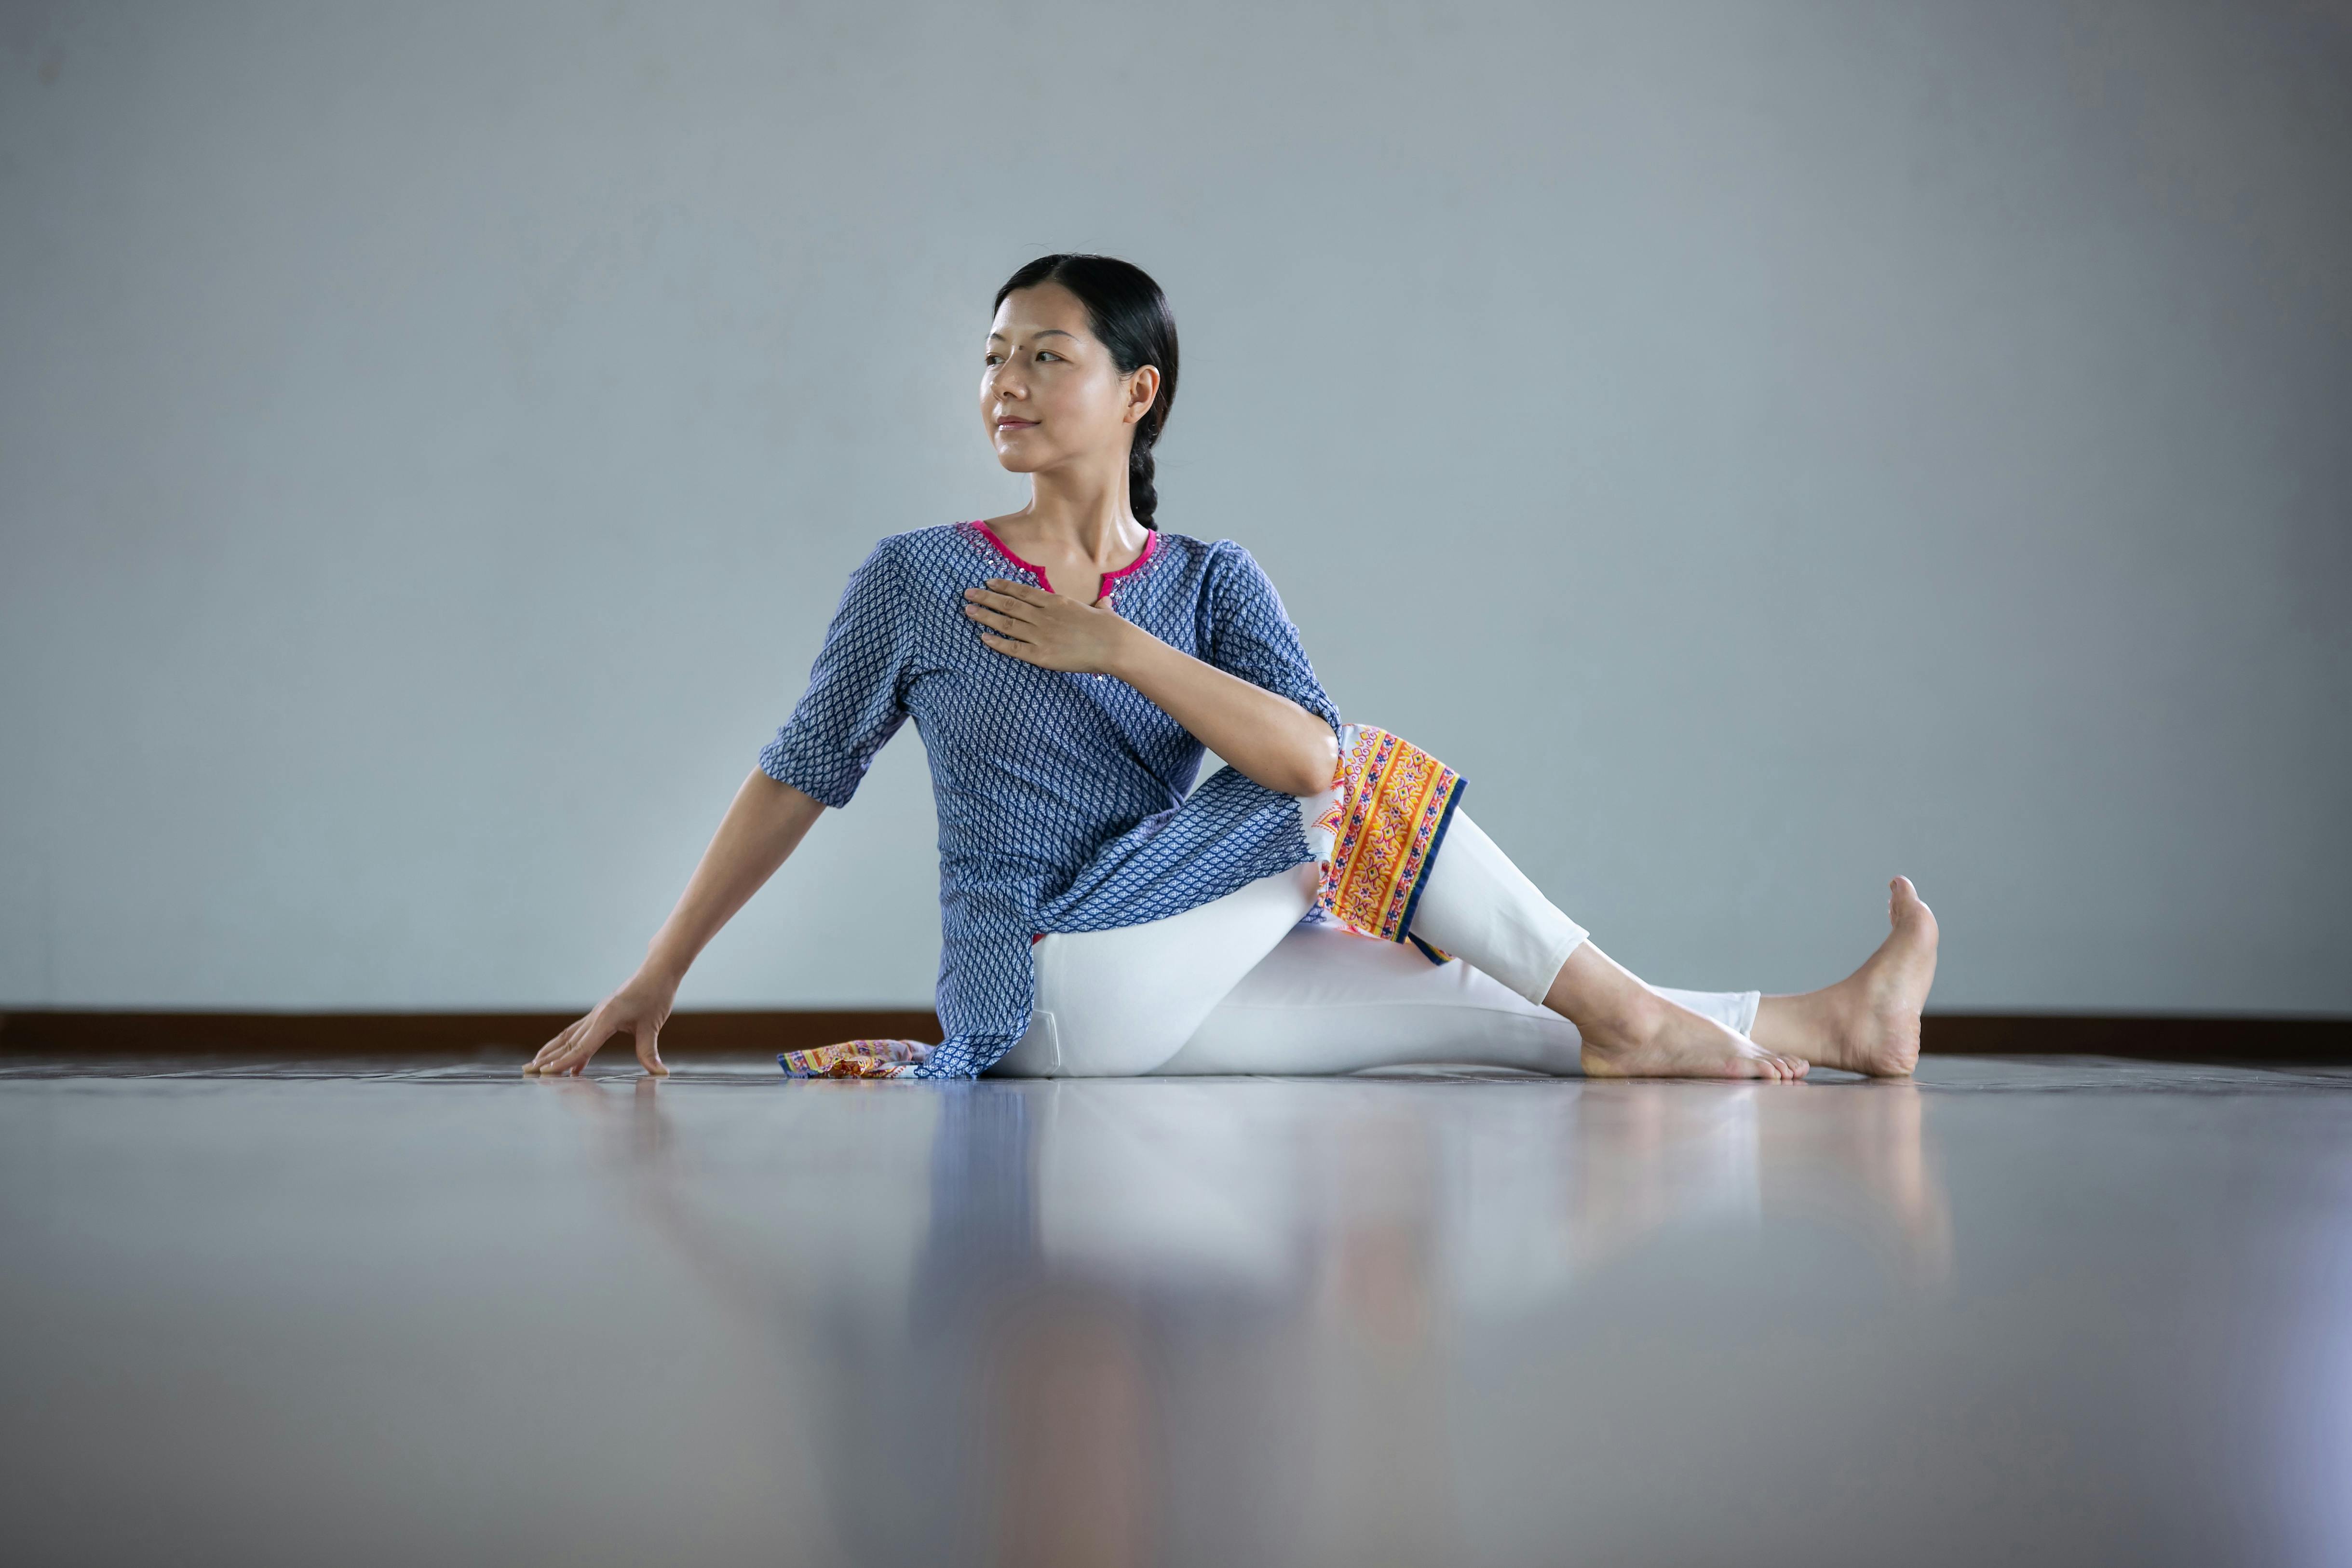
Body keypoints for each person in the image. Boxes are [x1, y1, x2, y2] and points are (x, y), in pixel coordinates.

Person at [528, 255, 1938, 1082]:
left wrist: (1121, 648)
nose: (1004, 382)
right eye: (991, 357)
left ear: (1138, 392)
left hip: (1152, 989)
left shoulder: (1209, 581)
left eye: (1046, 355)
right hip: (1037, 976)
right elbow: (799, 773)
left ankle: (1829, 1022)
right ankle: (1636, 1021)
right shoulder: (921, 578)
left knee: (1450, 1001)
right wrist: (657, 977)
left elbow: (1295, 756)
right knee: (1357, 778)